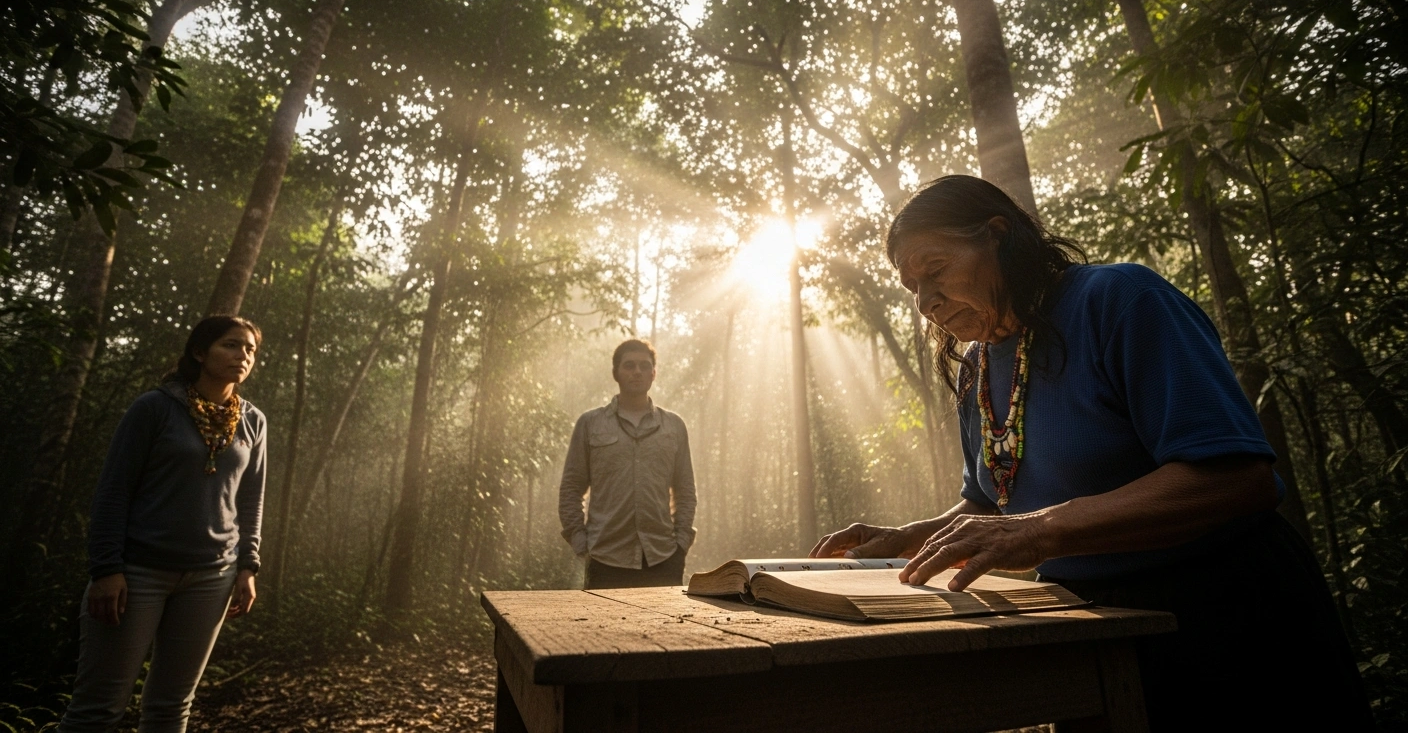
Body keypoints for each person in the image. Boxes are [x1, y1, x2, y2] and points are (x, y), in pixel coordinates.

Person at [810, 175, 1372, 731]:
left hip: (1227, 622)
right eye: (913, 288)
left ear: (998, 235)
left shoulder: (1120, 300)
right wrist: (906, 539)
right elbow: (995, 504)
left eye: (935, 271)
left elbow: (1234, 477)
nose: (927, 300)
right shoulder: (979, 368)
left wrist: (1039, 532)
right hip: (1094, 632)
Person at [58, 316, 266, 733]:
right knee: (97, 710)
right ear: (199, 352)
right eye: (231, 345)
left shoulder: (252, 421)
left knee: (172, 708)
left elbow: (251, 500)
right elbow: (113, 490)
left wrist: (248, 565)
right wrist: (106, 570)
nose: (243, 355)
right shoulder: (154, 407)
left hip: (212, 577)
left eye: (250, 350)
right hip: (137, 573)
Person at [558, 338, 697, 589]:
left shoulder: (673, 426)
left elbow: (685, 490)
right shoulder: (590, 424)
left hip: (662, 559)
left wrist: (681, 544)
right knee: (603, 629)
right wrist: (582, 545)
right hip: (605, 561)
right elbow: (571, 488)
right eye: (629, 366)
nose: (637, 372)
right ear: (616, 373)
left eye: (644, 366)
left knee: (667, 629)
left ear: (654, 373)